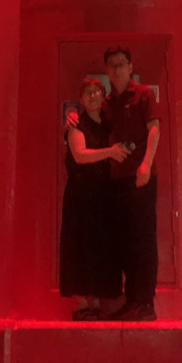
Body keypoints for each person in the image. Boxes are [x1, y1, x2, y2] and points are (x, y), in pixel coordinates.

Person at [66, 47, 161, 321]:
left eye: (121, 64)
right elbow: (88, 114)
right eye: (112, 65)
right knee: (125, 242)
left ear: (130, 66)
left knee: (143, 240)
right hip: (116, 182)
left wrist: (146, 163)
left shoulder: (143, 94)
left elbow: (154, 129)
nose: (117, 70)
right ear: (107, 71)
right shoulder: (107, 102)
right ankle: (132, 302)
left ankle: (145, 303)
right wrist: (71, 114)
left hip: (140, 178)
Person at [60, 76, 130, 319]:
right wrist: (110, 152)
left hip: (103, 193)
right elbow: (79, 155)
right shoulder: (76, 125)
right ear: (80, 99)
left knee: (100, 245)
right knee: (80, 246)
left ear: (103, 95)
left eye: (96, 91)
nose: (93, 96)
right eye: (87, 92)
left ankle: (98, 301)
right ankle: (81, 303)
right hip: (81, 194)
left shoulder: (107, 122)